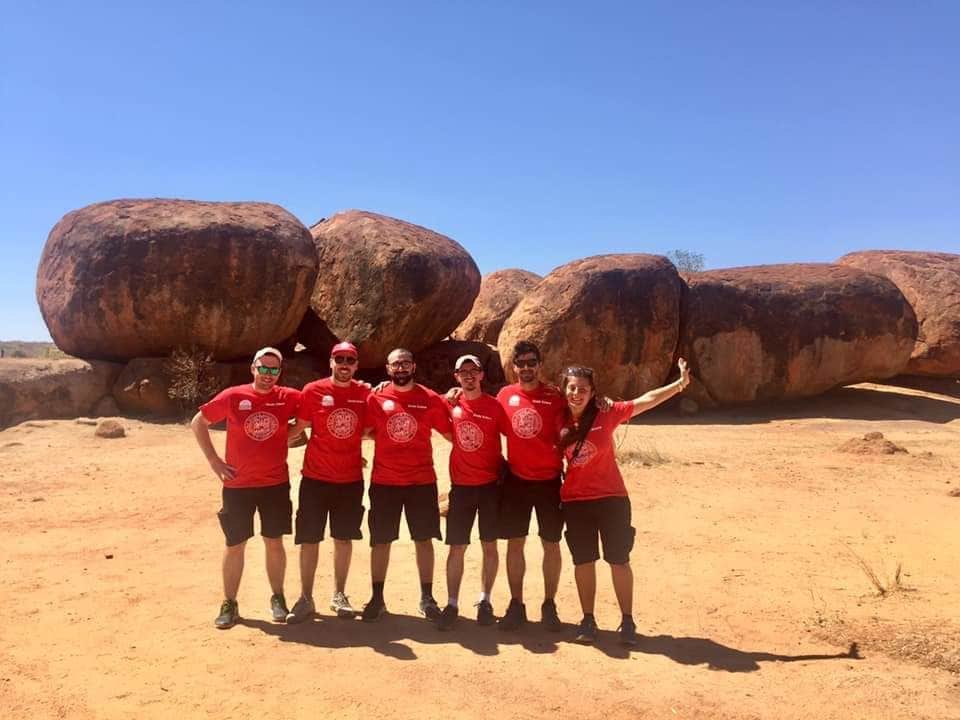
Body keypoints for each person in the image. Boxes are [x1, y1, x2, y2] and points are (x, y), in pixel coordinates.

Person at [559, 358, 691, 646]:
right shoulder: (557, 418)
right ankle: (588, 620)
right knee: (583, 561)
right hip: (575, 501)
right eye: (572, 388)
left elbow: (646, 400)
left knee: (619, 560)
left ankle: (627, 620)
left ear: (593, 392)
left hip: (612, 499)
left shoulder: (607, 413)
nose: (576, 393)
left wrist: (679, 385)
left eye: (583, 389)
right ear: (564, 390)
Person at [191, 347, 302, 629]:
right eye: (263, 368)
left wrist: (289, 434)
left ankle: (278, 598)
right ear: (253, 368)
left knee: (274, 542)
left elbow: (314, 411)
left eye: (273, 370)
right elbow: (198, 422)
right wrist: (214, 460)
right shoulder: (233, 396)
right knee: (235, 544)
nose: (267, 374)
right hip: (238, 484)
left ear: (280, 372)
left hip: (275, 484)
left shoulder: (289, 397)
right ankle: (229, 603)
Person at [361, 348, 453, 622]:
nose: (400, 368)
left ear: (413, 367)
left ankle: (427, 597)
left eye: (405, 364)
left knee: (423, 540)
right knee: (381, 541)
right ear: (387, 369)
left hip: (421, 481)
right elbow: (363, 431)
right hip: (385, 481)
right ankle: (377, 598)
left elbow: (451, 432)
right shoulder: (376, 398)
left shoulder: (430, 398)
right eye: (395, 364)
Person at [285, 341, 369, 623]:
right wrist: (264, 444)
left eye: (349, 360)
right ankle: (305, 598)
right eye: (339, 359)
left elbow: (373, 427)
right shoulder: (313, 391)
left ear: (356, 365)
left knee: (343, 538)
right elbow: (298, 427)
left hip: (350, 479)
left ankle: (339, 595)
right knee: (309, 539)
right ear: (331, 362)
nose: (344, 364)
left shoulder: (364, 393)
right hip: (315, 479)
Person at [495, 340, 567, 632]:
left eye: (531, 363)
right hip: (516, 480)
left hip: (550, 481)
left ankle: (549, 604)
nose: (526, 368)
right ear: (514, 367)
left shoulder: (556, 396)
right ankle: (516, 604)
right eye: (521, 363)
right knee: (515, 543)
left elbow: (579, 415)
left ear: (540, 365)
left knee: (551, 543)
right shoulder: (504, 396)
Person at [438, 354, 511, 630]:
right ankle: (452, 603)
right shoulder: (450, 403)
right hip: (461, 488)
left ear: (481, 375)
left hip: (490, 486)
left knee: (489, 545)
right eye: (463, 371)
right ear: (456, 377)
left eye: (474, 370)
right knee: (457, 547)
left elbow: (514, 435)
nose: (469, 375)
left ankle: (485, 600)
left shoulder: (495, 406)